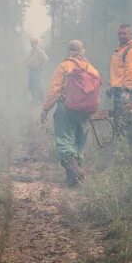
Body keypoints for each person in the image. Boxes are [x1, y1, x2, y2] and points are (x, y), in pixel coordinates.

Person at [41, 39, 102, 186]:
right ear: (82, 51)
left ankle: (74, 170)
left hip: (66, 108)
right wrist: (93, 109)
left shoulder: (64, 66)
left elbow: (54, 90)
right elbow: (96, 92)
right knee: (78, 142)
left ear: (69, 51)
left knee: (64, 140)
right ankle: (72, 178)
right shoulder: (92, 69)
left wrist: (45, 109)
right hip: (85, 111)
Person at [109, 24, 132, 118]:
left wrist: (127, 91)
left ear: (131, 34)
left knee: (127, 120)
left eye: (124, 33)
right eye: (119, 34)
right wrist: (112, 86)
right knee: (119, 119)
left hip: (127, 90)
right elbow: (118, 71)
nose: (121, 36)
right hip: (119, 89)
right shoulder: (120, 50)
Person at [26, 37, 49, 102]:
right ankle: (35, 97)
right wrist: (24, 62)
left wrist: (42, 67)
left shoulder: (40, 52)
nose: (32, 45)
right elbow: (27, 59)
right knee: (30, 85)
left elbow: (46, 59)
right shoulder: (30, 52)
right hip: (31, 69)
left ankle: (39, 98)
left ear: (37, 44)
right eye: (31, 43)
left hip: (37, 70)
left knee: (37, 84)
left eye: (34, 43)